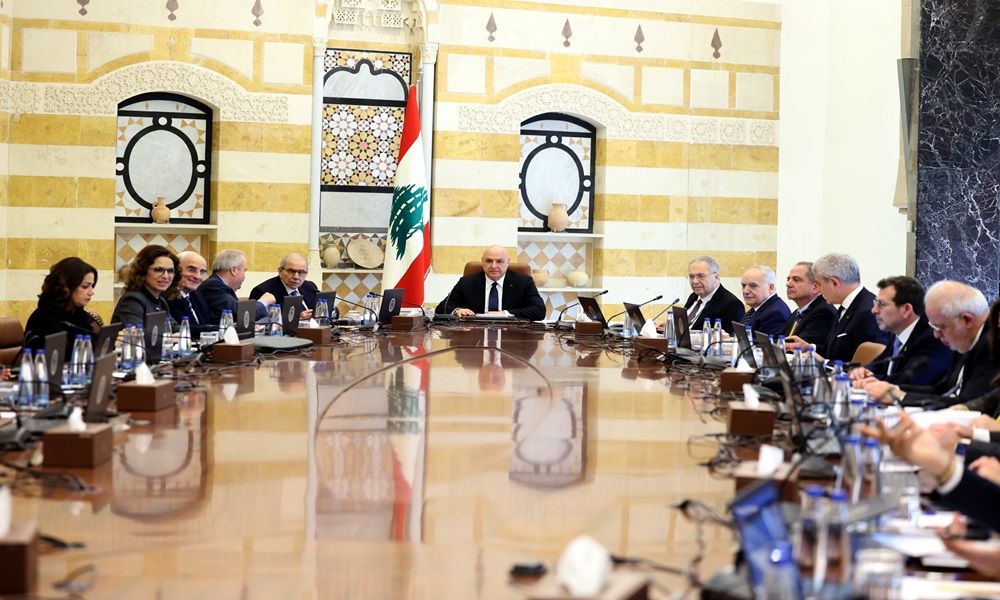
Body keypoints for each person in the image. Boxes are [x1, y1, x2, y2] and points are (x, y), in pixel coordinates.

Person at [865, 281, 995, 409]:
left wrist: (902, 397)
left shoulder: (992, 346)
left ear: (967, 320)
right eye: (933, 327)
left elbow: (968, 403)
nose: (936, 335)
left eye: (940, 327)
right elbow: (942, 388)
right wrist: (894, 389)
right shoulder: (964, 338)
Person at [848, 276, 952, 386]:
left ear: (906, 309)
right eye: (875, 303)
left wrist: (870, 379)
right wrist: (863, 372)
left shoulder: (933, 338)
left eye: (881, 304)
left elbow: (910, 381)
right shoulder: (897, 331)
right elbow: (879, 364)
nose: (874, 310)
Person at [786, 253, 886, 362]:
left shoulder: (870, 311)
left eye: (819, 284)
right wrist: (810, 348)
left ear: (834, 283)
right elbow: (835, 352)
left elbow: (870, 365)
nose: (819, 290)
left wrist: (825, 363)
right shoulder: (845, 306)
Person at [434, 245, 545, 320]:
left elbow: (539, 311)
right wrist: (457, 311)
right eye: (489, 261)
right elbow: (441, 308)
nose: (493, 266)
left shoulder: (523, 282)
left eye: (499, 261)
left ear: (507, 262)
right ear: (482, 261)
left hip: (512, 334)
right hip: (474, 334)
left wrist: (505, 314)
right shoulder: (467, 282)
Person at [23, 257, 103, 355]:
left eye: (92, 286)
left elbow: (92, 343)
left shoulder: (78, 314)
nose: (91, 292)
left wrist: (113, 342)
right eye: (85, 286)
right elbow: (68, 354)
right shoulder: (45, 318)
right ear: (66, 286)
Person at [198, 249, 274, 323]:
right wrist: (263, 302)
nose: (244, 276)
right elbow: (238, 313)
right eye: (244, 271)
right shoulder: (212, 286)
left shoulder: (219, 285)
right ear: (234, 270)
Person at [111, 245, 179, 326]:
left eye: (170, 271)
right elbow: (137, 332)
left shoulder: (161, 301)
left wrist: (178, 332)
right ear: (143, 271)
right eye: (159, 270)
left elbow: (176, 328)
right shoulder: (133, 300)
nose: (166, 276)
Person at [780, 261, 836, 351]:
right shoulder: (797, 312)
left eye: (796, 280)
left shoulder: (823, 312)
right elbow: (778, 338)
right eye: (788, 279)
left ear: (815, 287)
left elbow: (797, 349)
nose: (788, 284)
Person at [682, 256, 744, 335]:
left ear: (716, 277)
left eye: (700, 276)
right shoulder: (693, 296)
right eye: (691, 277)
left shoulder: (732, 304)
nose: (695, 281)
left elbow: (731, 338)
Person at [249, 253, 318, 319]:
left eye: (301, 272)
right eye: (291, 271)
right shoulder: (262, 291)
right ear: (280, 271)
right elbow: (258, 322)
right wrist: (297, 319)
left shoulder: (310, 287)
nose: (296, 277)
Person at [167, 251, 215, 335]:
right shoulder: (168, 296)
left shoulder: (196, 294)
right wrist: (219, 328)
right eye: (191, 270)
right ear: (176, 270)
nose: (198, 276)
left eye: (202, 272)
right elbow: (186, 329)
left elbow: (212, 319)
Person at [738, 265, 790, 335]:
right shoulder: (756, 308)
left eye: (753, 286)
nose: (745, 291)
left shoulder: (775, 314)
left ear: (771, 288)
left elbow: (763, 342)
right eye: (743, 286)